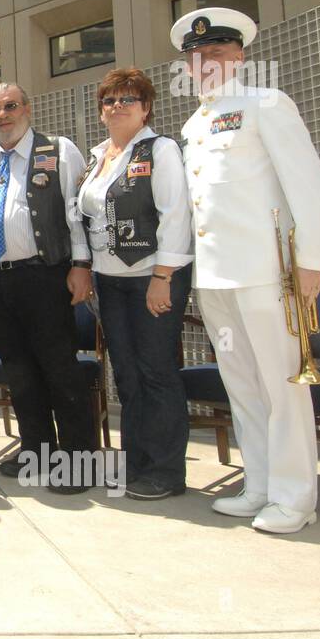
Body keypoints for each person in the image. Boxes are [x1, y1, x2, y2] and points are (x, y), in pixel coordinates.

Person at [173, 7, 320, 534]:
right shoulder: (194, 123)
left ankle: (295, 499)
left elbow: (308, 182)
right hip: (215, 277)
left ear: (238, 56)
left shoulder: (267, 103)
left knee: (283, 386)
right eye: (196, 57)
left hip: (265, 273)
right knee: (242, 386)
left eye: (215, 53)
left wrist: (311, 260)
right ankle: (259, 485)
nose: (205, 63)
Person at [0, 82, 95, 494]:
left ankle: (78, 463)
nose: (2, 115)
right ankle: (37, 452)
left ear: (28, 107)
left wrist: (80, 264)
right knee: (20, 373)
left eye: (9, 106)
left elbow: (76, 215)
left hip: (44, 276)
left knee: (59, 369)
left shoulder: (57, 150)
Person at [75, 68, 193, 500]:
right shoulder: (97, 155)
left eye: (128, 99)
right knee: (126, 373)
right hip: (110, 281)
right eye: (110, 100)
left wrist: (163, 277)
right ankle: (137, 463)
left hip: (151, 278)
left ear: (146, 108)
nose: (117, 106)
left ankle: (166, 471)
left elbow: (176, 214)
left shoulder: (160, 150)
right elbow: (84, 218)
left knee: (156, 371)